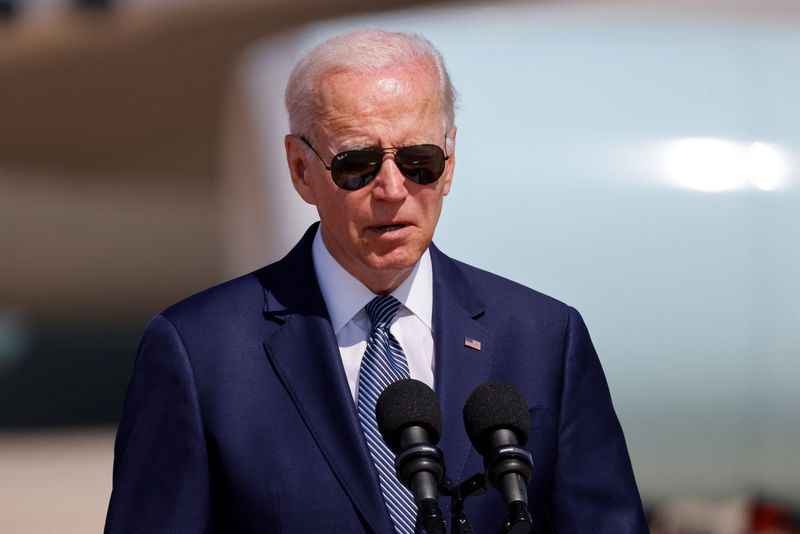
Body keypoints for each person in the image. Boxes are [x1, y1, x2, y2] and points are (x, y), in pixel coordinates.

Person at [105, 29, 648, 533]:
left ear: (451, 164)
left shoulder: (545, 338)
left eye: (419, 161)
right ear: (300, 170)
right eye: (357, 164)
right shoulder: (199, 352)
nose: (391, 189)